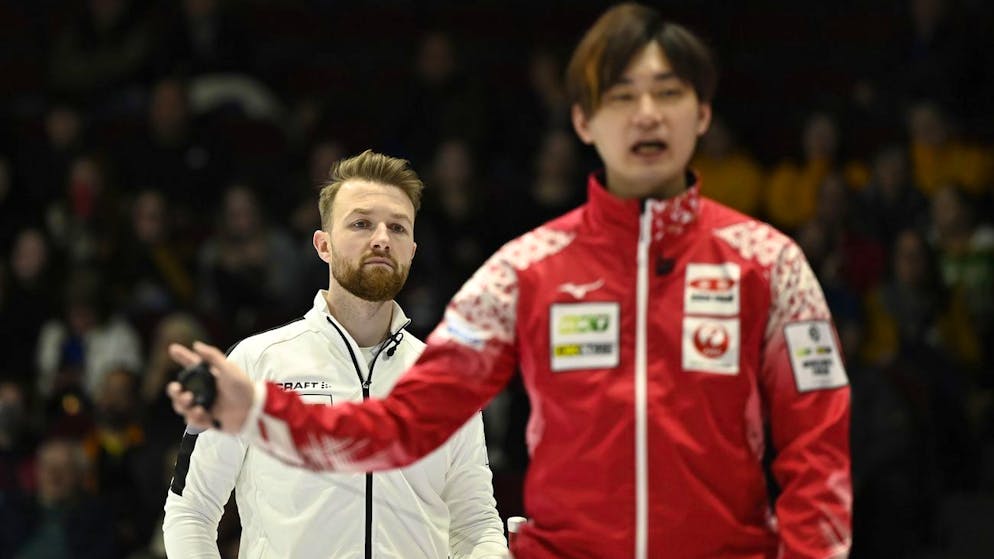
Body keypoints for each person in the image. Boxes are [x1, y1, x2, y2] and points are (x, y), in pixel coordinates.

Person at [168, 5, 852, 558]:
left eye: (668, 94)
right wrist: (258, 408)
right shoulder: (522, 272)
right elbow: (398, 427)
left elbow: (819, 462)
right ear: (583, 119)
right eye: (623, 96)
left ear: (702, 113)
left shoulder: (773, 265)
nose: (647, 114)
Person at [163, 150, 506, 558]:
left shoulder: (447, 379)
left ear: (411, 251)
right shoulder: (256, 361)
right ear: (323, 245)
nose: (381, 238)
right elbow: (191, 510)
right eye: (361, 223)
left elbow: (475, 524)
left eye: (397, 227)